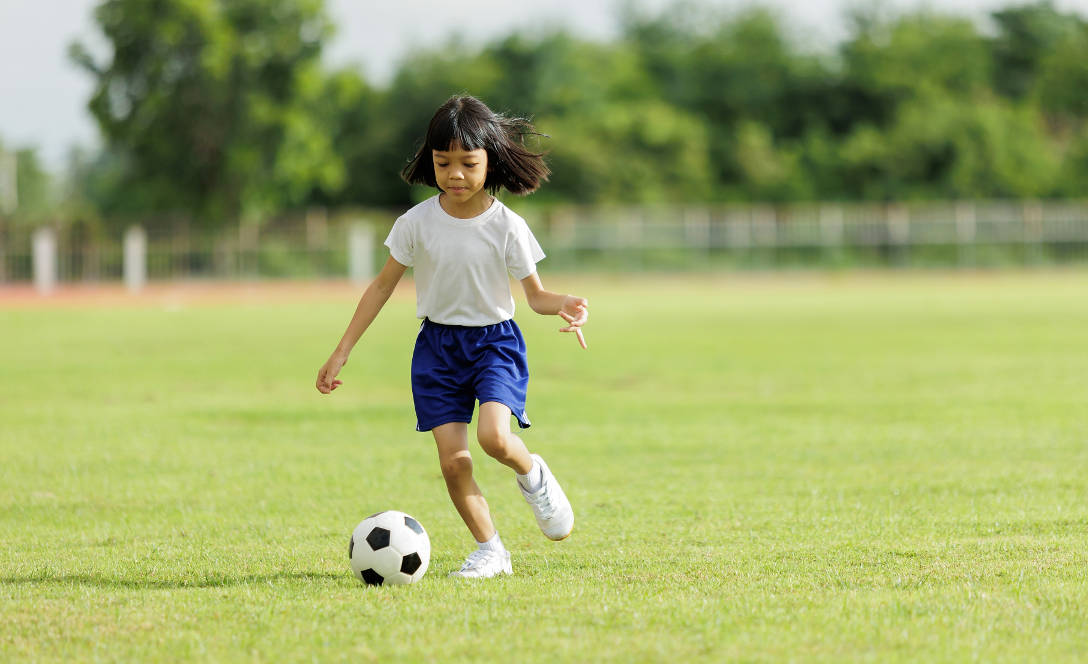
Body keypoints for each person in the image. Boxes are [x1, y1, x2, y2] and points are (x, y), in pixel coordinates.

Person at [316, 95, 589, 579]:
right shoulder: (415, 223)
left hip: (494, 345)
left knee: (493, 439)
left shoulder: (508, 226)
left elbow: (536, 296)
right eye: (444, 163)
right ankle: (491, 551)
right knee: (454, 462)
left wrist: (565, 304)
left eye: (468, 163)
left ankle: (534, 475)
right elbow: (381, 287)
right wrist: (341, 351)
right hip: (436, 351)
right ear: (431, 161)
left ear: (491, 160)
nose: (455, 174)